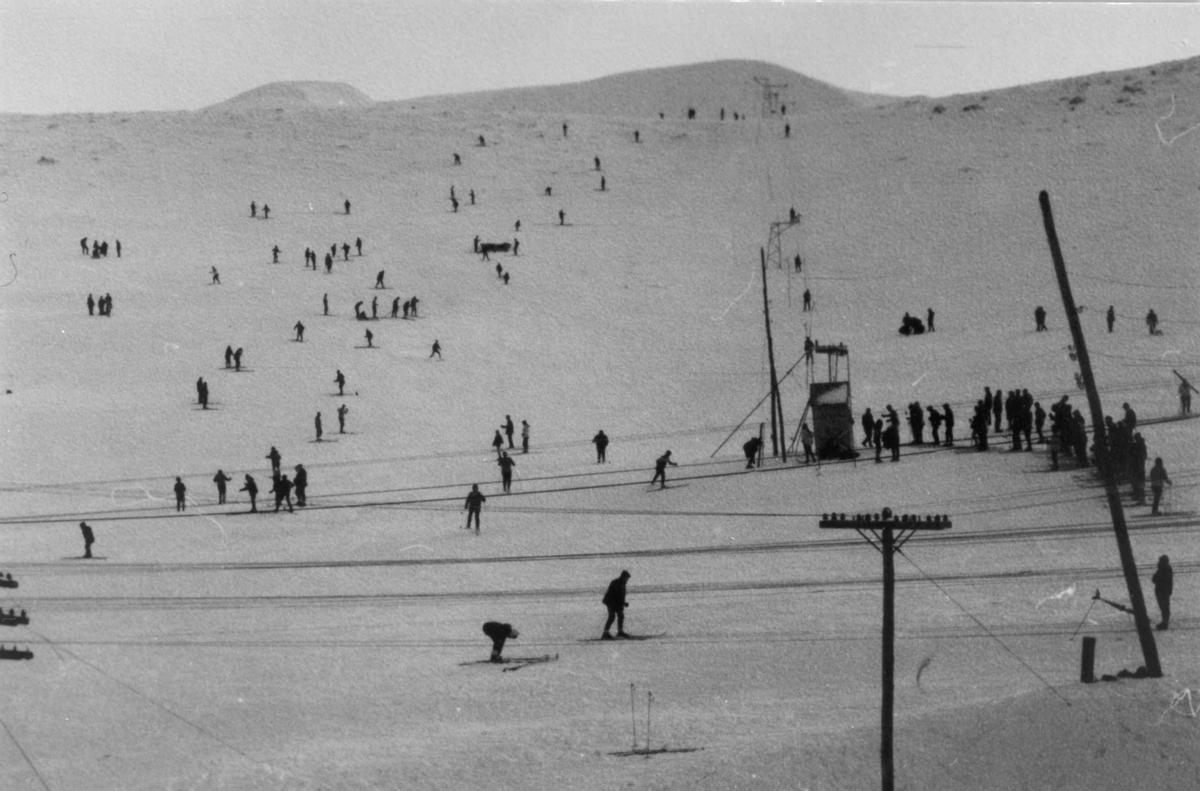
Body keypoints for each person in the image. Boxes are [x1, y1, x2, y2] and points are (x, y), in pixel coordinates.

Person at [602, 570, 631, 639]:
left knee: (621, 615)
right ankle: (605, 633)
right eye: (627, 578)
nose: (627, 580)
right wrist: (621, 604)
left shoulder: (622, 583)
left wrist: (623, 603)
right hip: (610, 601)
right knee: (612, 616)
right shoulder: (617, 583)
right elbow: (615, 595)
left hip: (616, 602)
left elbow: (621, 596)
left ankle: (620, 632)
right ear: (623, 577)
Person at [1152, 555, 1173, 630]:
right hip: (1162, 591)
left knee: (1164, 607)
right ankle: (1164, 622)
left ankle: (1165, 623)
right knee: (1164, 607)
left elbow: (1155, 579)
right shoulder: (1163, 569)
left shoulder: (1164, 569)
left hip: (1163, 591)